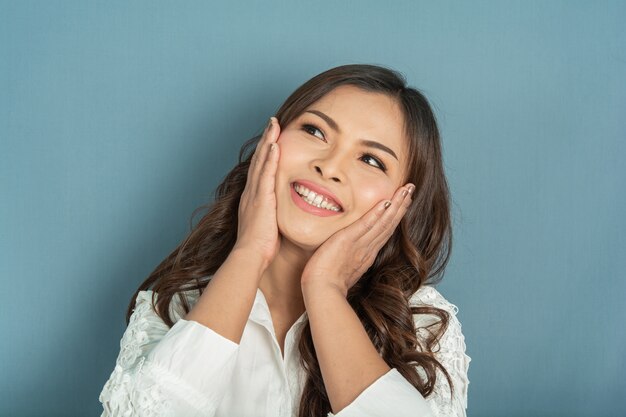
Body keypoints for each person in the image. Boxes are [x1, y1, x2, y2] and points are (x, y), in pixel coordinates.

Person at [99, 64, 471, 417]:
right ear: (269, 142)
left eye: (371, 160)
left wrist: (325, 289)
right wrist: (249, 252)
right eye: (315, 132)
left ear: (404, 200)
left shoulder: (421, 325)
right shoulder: (174, 305)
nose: (329, 166)